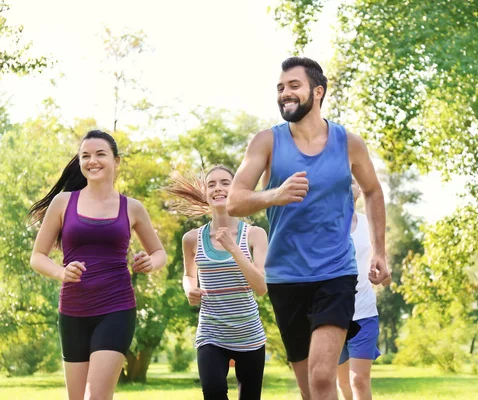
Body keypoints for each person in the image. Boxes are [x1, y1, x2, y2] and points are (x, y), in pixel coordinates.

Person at [227, 56, 390, 400]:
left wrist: (379, 251)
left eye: (293, 86)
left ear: (318, 92)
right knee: (308, 389)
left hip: (335, 273)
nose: (285, 93)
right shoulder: (266, 142)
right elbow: (234, 201)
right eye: (280, 88)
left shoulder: (348, 143)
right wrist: (275, 194)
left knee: (321, 379)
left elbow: (374, 191)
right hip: (286, 278)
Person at [28, 130, 167, 400]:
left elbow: (159, 252)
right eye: (85, 155)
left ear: (116, 161)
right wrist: (61, 272)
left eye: (100, 154)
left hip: (116, 309)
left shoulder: (132, 207)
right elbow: (38, 256)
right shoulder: (63, 202)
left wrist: (150, 263)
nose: (92, 161)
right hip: (72, 311)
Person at [165, 165, 268, 400]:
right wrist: (190, 289)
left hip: (248, 334)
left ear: (236, 189)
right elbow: (189, 274)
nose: (218, 188)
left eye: (225, 183)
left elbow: (261, 287)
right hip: (211, 331)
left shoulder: (255, 235)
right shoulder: (191, 239)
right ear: (205, 193)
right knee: (213, 391)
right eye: (211, 184)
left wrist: (233, 248)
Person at [337, 180, 388, 400]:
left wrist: (384, 276)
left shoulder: (371, 225)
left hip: (364, 311)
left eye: (356, 181)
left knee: (358, 379)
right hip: (333, 312)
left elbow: (383, 263)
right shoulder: (325, 226)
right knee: (341, 382)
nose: (352, 184)